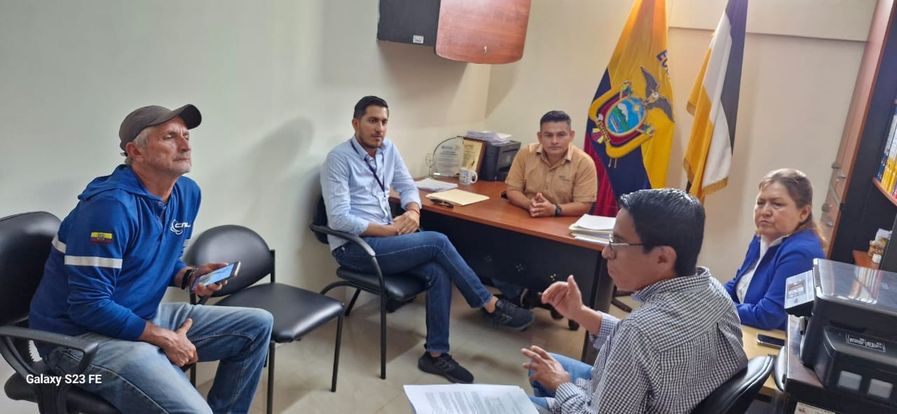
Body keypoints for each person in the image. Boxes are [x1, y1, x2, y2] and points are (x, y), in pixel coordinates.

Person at [29, 104, 274, 413]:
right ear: (136, 151)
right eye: (170, 137)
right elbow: (89, 306)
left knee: (257, 325)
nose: (185, 145)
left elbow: (160, 257)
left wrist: (189, 276)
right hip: (76, 341)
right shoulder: (108, 209)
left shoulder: (187, 193)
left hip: (138, 315)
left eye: (186, 136)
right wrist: (164, 338)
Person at [321, 95, 534, 384]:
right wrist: (390, 230)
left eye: (384, 122)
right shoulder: (338, 159)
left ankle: (435, 355)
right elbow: (339, 220)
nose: (379, 128)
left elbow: (407, 185)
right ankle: (489, 304)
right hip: (355, 248)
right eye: (372, 121)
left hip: (387, 239)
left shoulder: (388, 149)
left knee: (437, 270)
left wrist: (413, 211)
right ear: (356, 123)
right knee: (438, 242)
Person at [521, 188, 747, 413]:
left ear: (663, 257)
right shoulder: (716, 293)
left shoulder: (640, 332)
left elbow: (639, 340)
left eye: (617, 243)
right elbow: (645, 346)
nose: (606, 252)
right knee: (540, 366)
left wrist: (562, 385)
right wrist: (579, 312)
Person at [497, 110, 598, 305]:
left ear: (571, 135)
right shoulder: (526, 154)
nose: (554, 141)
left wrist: (554, 209)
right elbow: (512, 190)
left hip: (562, 229)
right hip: (526, 219)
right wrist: (529, 204)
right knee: (493, 249)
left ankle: (542, 296)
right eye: (548, 135)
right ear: (539, 136)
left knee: (549, 262)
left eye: (561, 135)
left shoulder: (584, 163)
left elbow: (585, 204)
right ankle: (518, 295)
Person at [724, 168, 825, 330]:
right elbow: (737, 285)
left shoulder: (801, 253)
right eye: (760, 203)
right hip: (745, 328)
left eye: (777, 204)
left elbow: (767, 316)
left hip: (769, 338)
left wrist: (716, 307)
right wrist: (709, 296)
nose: (765, 211)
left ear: (804, 213)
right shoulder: (762, 236)